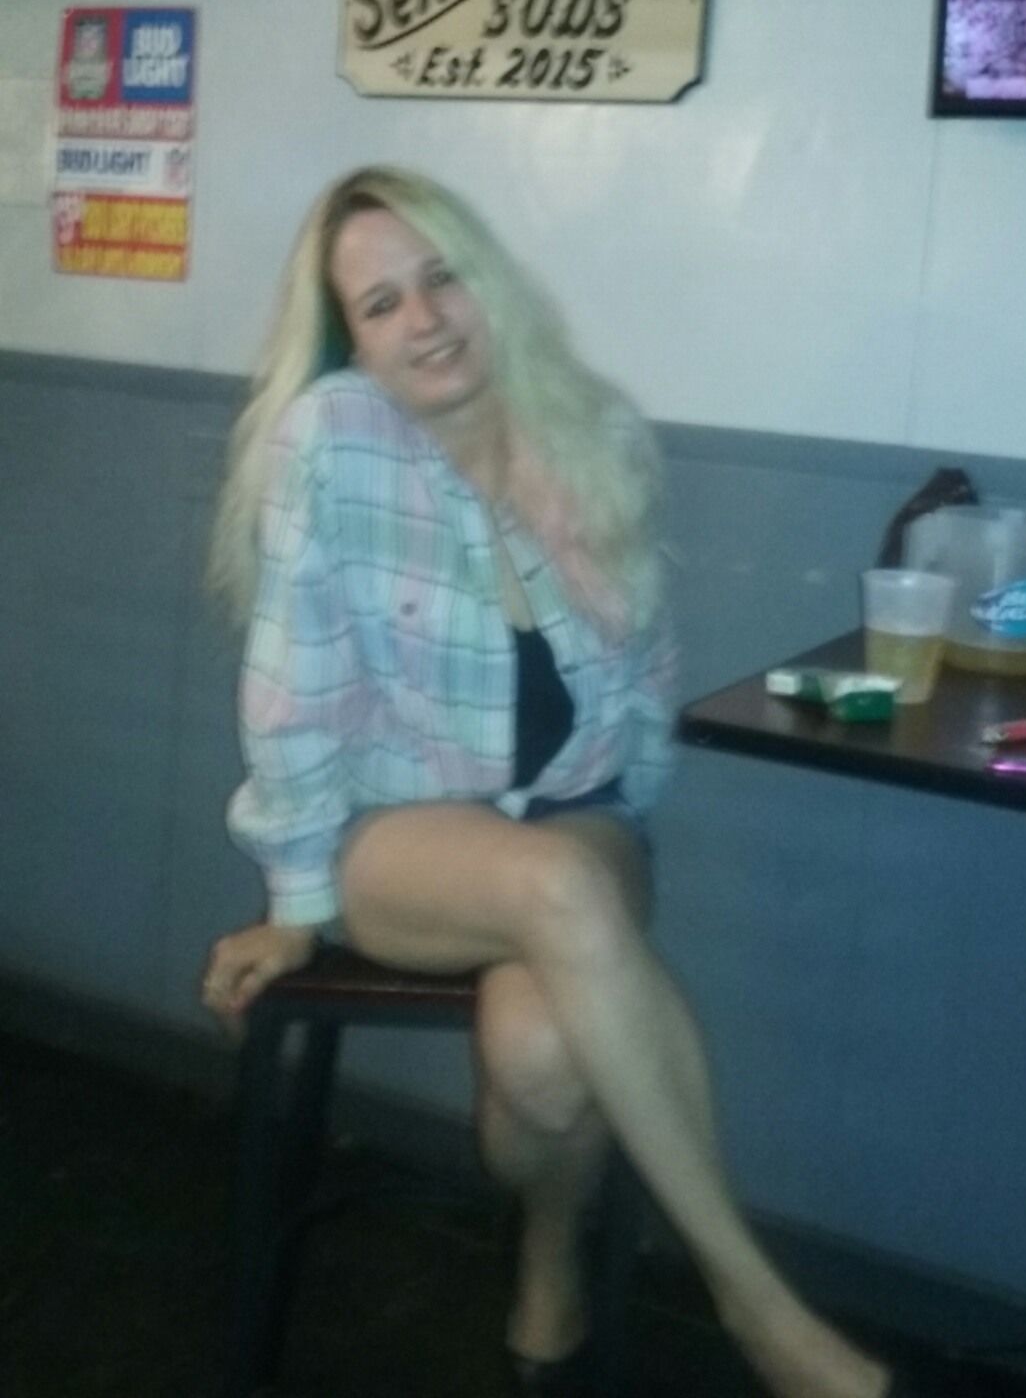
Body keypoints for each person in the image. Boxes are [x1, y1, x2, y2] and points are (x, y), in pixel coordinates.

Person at [201, 166, 904, 1398]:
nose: (425, 320)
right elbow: (293, 689)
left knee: (541, 1059)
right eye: (380, 304)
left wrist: (627, 803)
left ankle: (548, 1253)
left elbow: (644, 665)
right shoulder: (335, 440)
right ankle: (753, 1303)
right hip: (398, 829)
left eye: (442, 278)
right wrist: (297, 901)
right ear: (350, 336)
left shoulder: (597, 431)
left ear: (489, 283)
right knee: (561, 896)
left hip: (580, 812)